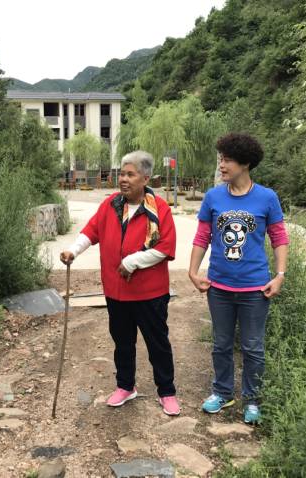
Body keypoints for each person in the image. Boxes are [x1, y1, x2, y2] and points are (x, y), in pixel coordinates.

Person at [60, 151, 181, 416]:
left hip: (150, 293)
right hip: (117, 291)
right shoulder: (111, 205)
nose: (123, 179)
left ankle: (166, 391)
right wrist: (73, 250)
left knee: (157, 343)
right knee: (122, 342)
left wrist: (132, 261)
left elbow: (165, 248)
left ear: (145, 178)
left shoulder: (159, 209)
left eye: (130, 174)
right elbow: (91, 231)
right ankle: (126, 386)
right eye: (122, 174)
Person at [188, 133, 289, 424]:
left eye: (228, 160)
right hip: (218, 286)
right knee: (221, 344)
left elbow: (279, 237)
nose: (222, 165)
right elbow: (202, 236)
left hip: (255, 289)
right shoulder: (213, 197)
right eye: (221, 159)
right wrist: (193, 271)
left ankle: (252, 399)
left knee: (252, 347)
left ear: (245, 163)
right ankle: (222, 392)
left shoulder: (267, 198)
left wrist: (280, 275)